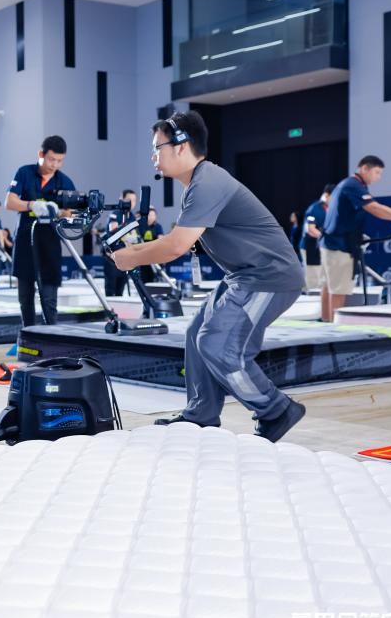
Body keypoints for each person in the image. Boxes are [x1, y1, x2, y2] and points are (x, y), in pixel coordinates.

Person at [112, 111, 307, 442]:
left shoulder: (207, 183)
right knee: (195, 333)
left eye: (157, 147)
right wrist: (131, 253)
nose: (153, 156)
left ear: (181, 146)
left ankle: (275, 409)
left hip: (268, 277)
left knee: (217, 343)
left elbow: (176, 246)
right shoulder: (198, 184)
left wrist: (129, 257)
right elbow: (175, 240)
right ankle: (201, 414)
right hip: (243, 275)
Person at [320, 156, 391, 322]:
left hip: (332, 242)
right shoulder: (353, 185)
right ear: (364, 168)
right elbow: (374, 208)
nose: (378, 177)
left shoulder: (347, 184)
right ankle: (333, 330)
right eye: (377, 172)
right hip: (339, 245)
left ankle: (326, 323)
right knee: (338, 290)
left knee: (329, 287)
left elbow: (342, 215)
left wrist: (355, 233)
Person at [7, 135, 76, 326]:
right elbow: (10, 202)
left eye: (60, 161)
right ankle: (27, 334)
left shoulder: (64, 182)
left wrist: (60, 212)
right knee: (25, 299)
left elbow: (72, 213)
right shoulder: (24, 173)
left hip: (49, 245)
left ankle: (50, 336)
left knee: (49, 299)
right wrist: (31, 205)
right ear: (41, 154)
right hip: (25, 241)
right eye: (51, 159)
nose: (55, 165)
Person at [300, 185, 333, 308]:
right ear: (327, 195)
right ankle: (310, 306)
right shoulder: (314, 209)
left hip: (323, 248)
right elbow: (310, 229)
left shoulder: (331, 209)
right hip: (310, 247)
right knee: (313, 276)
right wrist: (325, 237)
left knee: (322, 277)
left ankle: (320, 307)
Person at [103, 189, 139, 295]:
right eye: (129, 200)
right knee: (110, 291)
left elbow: (135, 237)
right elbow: (113, 232)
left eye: (134, 200)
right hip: (112, 259)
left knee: (120, 292)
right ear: (121, 199)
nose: (132, 203)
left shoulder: (132, 217)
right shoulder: (115, 214)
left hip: (126, 259)